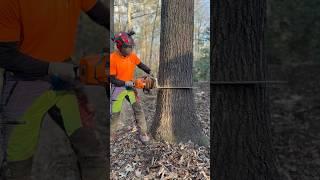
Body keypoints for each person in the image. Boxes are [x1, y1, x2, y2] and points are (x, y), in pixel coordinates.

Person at [0, 0, 109, 179]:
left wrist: (122, 40)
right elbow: (4, 54)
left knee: (92, 153)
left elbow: (101, 14)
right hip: (23, 84)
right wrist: (52, 68)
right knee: (16, 166)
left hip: (65, 79)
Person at [110, 31, 152, 144]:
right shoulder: (112, 58)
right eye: (126, 47)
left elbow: (141, 64)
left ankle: (143, 133)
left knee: (138, 109)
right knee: (115, 112)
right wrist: (126, 83)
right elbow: (112, 79)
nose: (129, 50)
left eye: (130, 47)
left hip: (130, 89)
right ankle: (111, 132)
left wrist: (149, 71)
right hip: (118, 89)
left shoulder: (132, 56)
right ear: (119, 46)